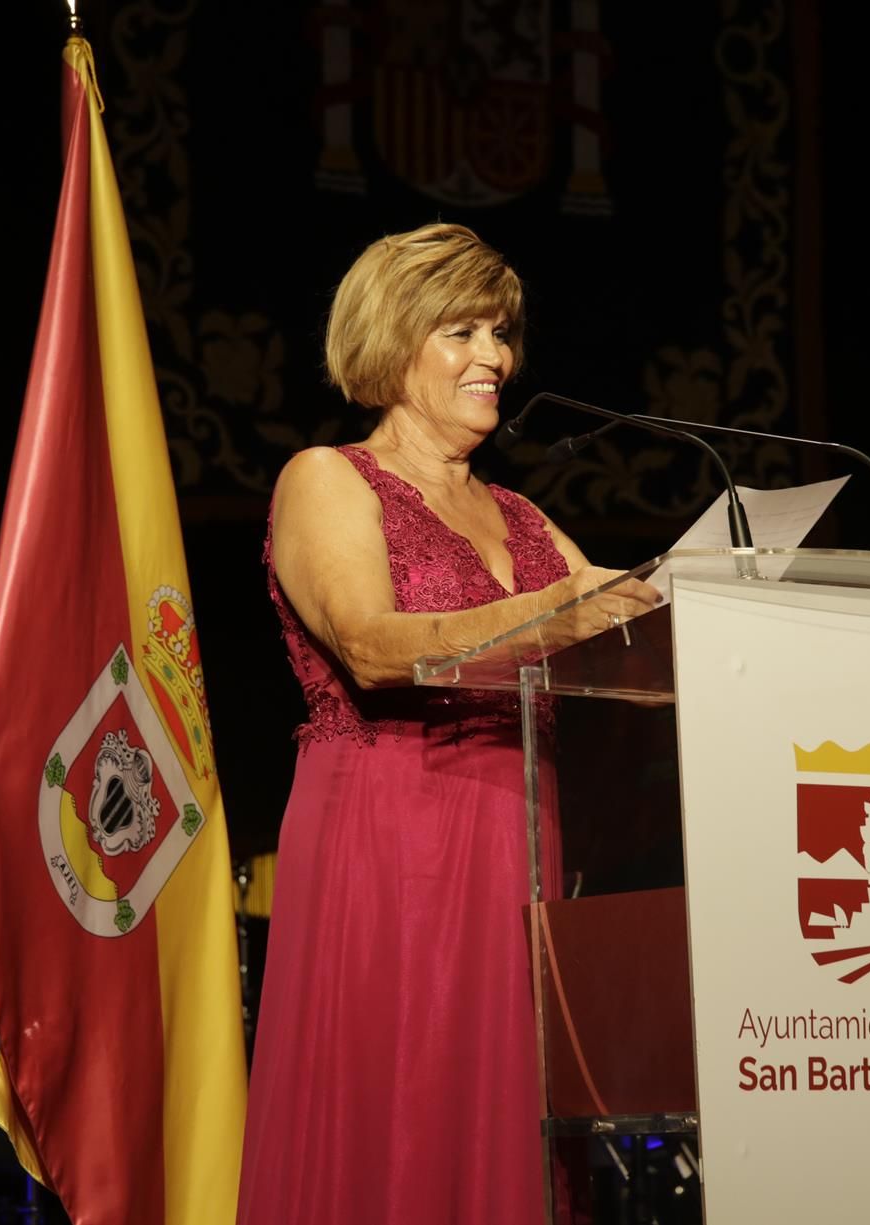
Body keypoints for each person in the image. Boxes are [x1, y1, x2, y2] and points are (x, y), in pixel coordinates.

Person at [237, 222, 661, 1224]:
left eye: (500, 333)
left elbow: (618, 627)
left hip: (518, 841)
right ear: (392, 343)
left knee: (509, 1114)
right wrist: (558, 611)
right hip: (390, 834)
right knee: (400, 1106)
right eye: (461, 331)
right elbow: (368, 642)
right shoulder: (328, 478)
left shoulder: (521, 515)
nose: (495, 357)